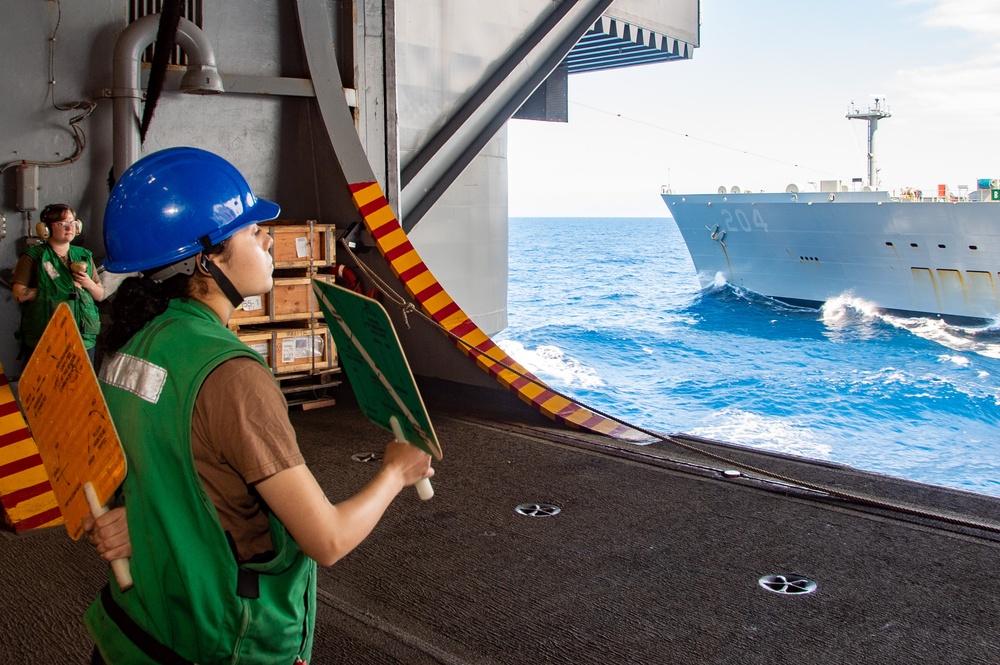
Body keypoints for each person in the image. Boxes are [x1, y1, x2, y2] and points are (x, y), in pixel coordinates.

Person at [84, 147, 434, 664]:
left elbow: (152, 471)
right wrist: (397, 473)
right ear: (205, 259)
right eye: (251, 231)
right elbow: (328, 539)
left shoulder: (127, 345)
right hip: (222, 640)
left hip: (136, 632)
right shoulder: (231, 375)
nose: (269, 238)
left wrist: (125, 516)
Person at [12, 203, 105, 362]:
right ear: (45, 229)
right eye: (62, 224)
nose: (69, 228)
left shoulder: (83, 256)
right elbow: (19, 294)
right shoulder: (33, 257)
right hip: (46, 337)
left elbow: (100, 294)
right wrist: (57, 290)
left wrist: (88, 283)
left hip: (82, 337)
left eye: (72, 223)